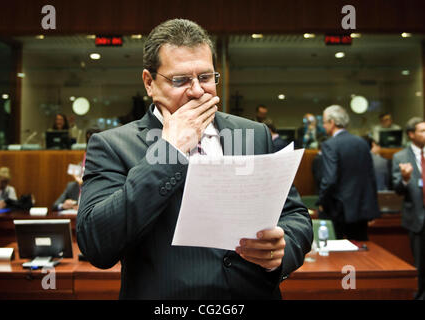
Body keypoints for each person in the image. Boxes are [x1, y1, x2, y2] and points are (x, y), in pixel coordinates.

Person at [77, 18, 313, 300]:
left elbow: (295, 216)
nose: (198, 91)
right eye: (180, 80)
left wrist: (281, 248)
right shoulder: (112, 146)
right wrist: (170, 151)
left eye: (205, 77)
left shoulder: (252, 133)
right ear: (149, 82)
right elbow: (97, 244)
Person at [318, 105, 379, 241]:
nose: (323, 126)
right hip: (361, 209)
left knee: (337, 256)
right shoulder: (362, 143)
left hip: (338, 210)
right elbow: (370, 177)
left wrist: (321, 200)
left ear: (332, 122)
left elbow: (330, 179)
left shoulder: (330, 145)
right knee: (360, 253)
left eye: (324, 122)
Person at [392, 117, 425, 300]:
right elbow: (397, 189)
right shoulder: (400, 157)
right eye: (422, 131)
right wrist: (405, 178)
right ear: (411, 134)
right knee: (419, 263)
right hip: (417, 217)